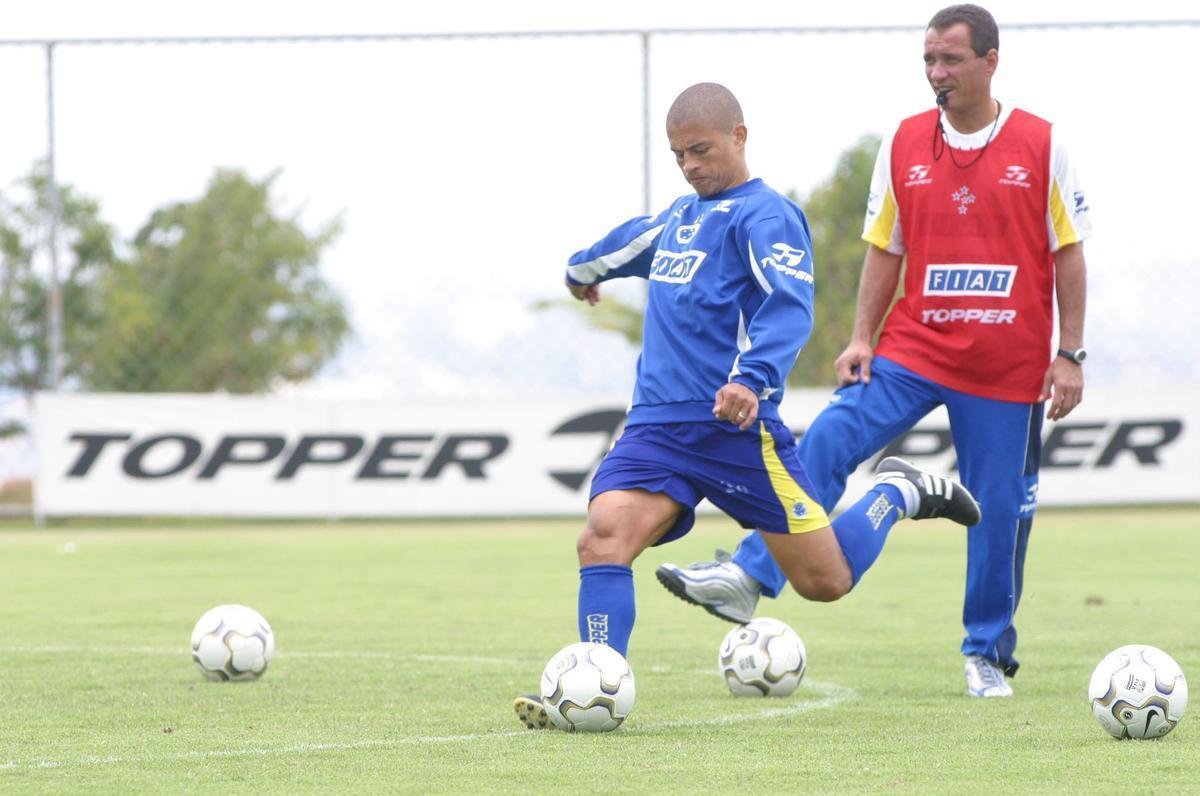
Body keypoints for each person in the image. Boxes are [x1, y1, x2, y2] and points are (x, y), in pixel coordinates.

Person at [514, 82, 981, 730]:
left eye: (701, 149)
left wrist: (751, 379)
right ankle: (598, 681)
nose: (691, 165)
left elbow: (787, 306)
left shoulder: (766, 216)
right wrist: (581, 272)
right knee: (602, 540)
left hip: (736, 429)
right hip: (656, 428)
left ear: (739, 136)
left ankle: (896, 493)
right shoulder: (675, 220)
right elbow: (610, 251)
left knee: (826, 582)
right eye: (679, 155)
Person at [656, 5, 1091, 699]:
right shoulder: (905, 142)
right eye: (928, 60)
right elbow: (884, 247)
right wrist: (862, 336)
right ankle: (748, 574)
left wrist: (1070, 353)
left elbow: (1068, 252)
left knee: (998, 507)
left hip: (1006, 364)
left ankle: (986, 653)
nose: (937, 73)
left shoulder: (1043, 143)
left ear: (990, 61)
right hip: (912, 347)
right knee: (828, 437)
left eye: (950, 60)